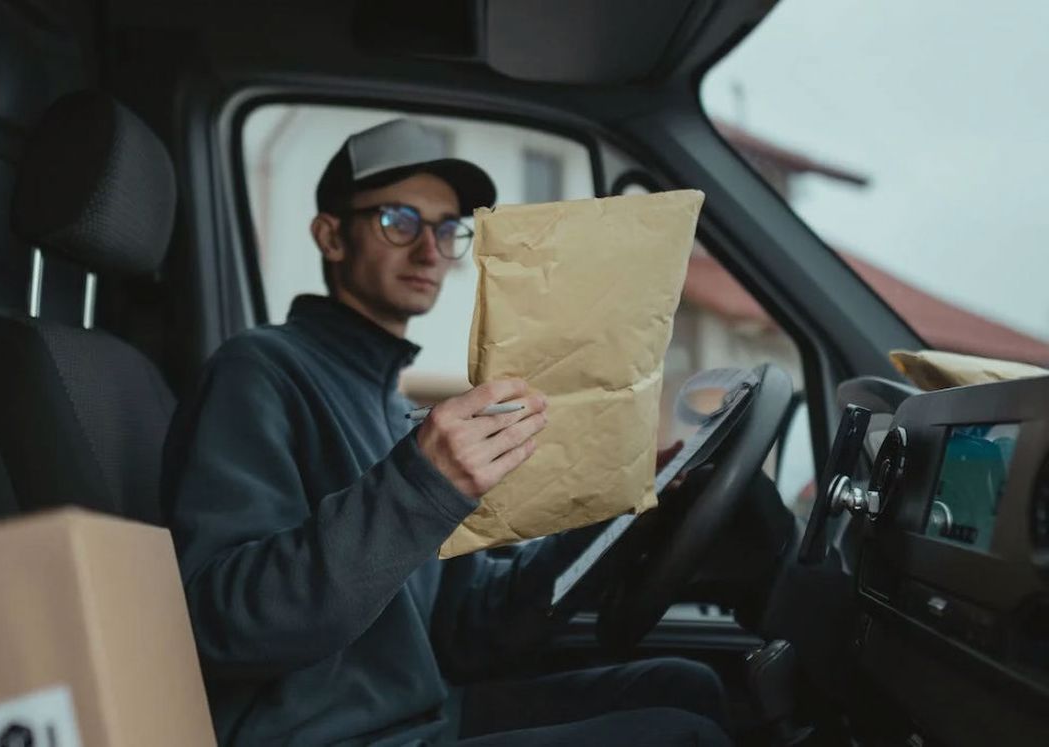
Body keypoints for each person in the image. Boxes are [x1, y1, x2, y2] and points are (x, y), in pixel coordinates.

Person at [162, 118, 730, 746]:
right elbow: (224, 622)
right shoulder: (259, 371)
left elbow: (464, 628)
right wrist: (421, 486)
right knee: (679, 738)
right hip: (331, 736)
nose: (429, 250)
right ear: (330, 236)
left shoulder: (386, 400)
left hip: (422, 711)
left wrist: (615, 516)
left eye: (447, 229)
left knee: (688, 685)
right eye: (397, 221)